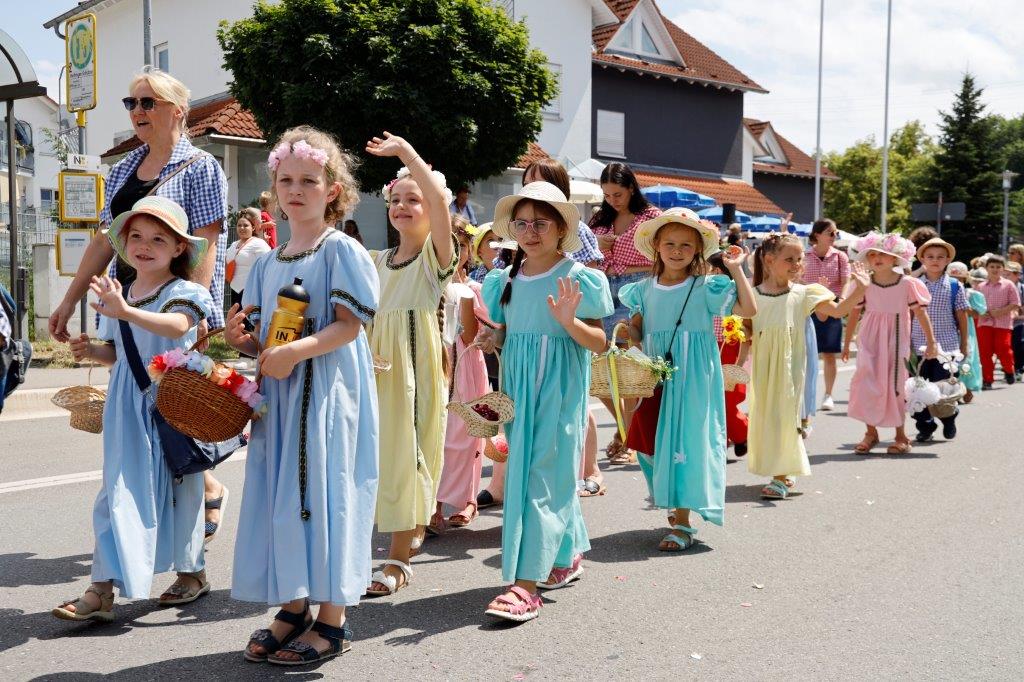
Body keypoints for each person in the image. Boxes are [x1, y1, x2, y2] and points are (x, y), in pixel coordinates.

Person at [45, 66, 232, 546]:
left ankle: (185, 517)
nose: (137, 111)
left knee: (172, 407)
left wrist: (191, 311)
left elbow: (206, 244)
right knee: (140, 406)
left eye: (148, 102)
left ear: (178, 110)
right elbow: (105, 240)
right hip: (128, 303)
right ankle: (171, 510)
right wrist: (68, 299)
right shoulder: (125, 168)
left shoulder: (202, 166)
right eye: (131, 103)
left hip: (171, 307)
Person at [226, 126, 379, 665]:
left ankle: (332, 619)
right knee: (284, 496)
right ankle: (293, 606)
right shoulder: (269, 261)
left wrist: (297, 351)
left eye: (309, 181)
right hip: (282, 397)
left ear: (332, 189)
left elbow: (349, 326)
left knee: (328, 492)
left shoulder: (340, 249)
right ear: (274, 188)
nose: (296, 190)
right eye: (286, 180)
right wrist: (243, 340)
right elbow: (266, 335)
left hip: (327, 393)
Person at [51, 196, 213, 623]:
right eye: (136, 236)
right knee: (117, 490)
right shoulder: (118, 294)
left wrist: (125, 311)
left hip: (174, 402)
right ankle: (100, 589)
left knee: (181, 490)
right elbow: (120, 353)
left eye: (159, 239)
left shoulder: (185, 292)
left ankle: (192, 572)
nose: (145, 245)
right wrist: (92, 351)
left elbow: (178, 327)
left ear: (179, 248)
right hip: (127, 404)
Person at [481, 182, 611, 622]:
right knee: (537, 473)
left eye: (541, 223)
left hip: (559, 391)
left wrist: (570, 322)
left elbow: (599, 342)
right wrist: (493, 337)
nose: (530, 232)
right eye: (521, 223)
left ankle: (526, 584)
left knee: (541, 477)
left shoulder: (579, 277)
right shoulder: (505, 279)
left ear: (561, 229)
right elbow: (508, 332)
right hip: (519, 390)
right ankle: (565, 556)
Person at [619, 209, 756, 550]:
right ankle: (671, 496)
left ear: (697, 249)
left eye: (685, 245)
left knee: (685, 443)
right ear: (656, 245)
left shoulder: (706, 286)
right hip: (655, 374)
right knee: (647, 443)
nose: (677, 251)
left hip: (693, 377)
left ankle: (682, 522)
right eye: (670, 243)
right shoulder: (642, 289)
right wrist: (627, 336)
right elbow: (637, 328)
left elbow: (748, 310)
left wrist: (737, 269)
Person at [364, 133, 456, 596]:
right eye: (395, 199)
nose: (402, 206)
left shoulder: (433, 259)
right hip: (376, 371)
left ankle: (398, 557)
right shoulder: (376, 261)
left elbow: (439, 201)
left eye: (413, 199)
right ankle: (410, 527)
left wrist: (406, 154)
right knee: (380, 457)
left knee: (408, 454)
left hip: (413, 375)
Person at [747, 233, 868, 499]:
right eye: (789, 259)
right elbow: (745, 330)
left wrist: (859, 290)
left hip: (790, 367)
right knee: (767, 417)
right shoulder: (752, 295)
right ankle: (781, 468)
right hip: (763, 367)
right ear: (769, 260)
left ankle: (782, 475)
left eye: (799, 259)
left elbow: (837, 311)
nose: (797, 264)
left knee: (786, 415)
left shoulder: (804, 292)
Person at [520, 158, 606, 498]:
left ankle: (589, 469)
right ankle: (506, 488)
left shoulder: (574, 236)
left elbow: (588, 271)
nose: (535, 189)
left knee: (572, 416)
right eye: (529, 183)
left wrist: (571, 318)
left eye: (543, 182)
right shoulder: (521, 242)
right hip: (526, 356)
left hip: (565, 330)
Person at [589, 162, 661, 464]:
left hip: (636, 289)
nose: (612, 200)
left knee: (630, 368)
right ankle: (625, 429)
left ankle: (628, 437)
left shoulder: (651, 218)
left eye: (617, 194)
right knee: (599, 368)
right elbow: (583, 257)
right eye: (607, 195)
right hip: (603, 290)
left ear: (631, 188)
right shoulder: (598, 220)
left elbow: (662, 260)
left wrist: (625, 265)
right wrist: (596, 244)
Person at [845, 232, 938, 455]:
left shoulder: (907, 283)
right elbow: (854, 313)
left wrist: (931, 342)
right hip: (869, 337)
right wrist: (846, 343)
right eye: (872, 254)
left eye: (883, 254)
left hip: (896, 338)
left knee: (896, 384)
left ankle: (901, 435)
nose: (877, 258)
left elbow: (921, 314)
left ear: (896, 258)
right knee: (866, 381)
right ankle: (870, 433)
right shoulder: (864, 283)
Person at [434, 217, 490, 528]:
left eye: (463, 246)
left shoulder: (474, 288)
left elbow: (469, 335)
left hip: (466, 362)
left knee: (466, 433)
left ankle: (468, 498)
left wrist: (460, 291)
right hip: (437, 361)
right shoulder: (427, 283)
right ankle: (434, 502)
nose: (456, 252)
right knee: (438, 433)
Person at [910, 238, 969, 442]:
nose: (935, 260)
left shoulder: (954, 286)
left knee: (944, 388)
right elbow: (908, 315)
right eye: (930, 257)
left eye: (940, 257)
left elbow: (962, 316)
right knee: (917, 389)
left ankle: (949, 418)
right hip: (919, 346)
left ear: (947, 260)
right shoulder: (914, 285)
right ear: (922, 260)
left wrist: (964, 344)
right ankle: (925, 425)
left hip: (947, 348)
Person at [802, 219, 850, 411]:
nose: (834, 236)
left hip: (832, 305)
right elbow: (797, 280)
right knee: (805, 353)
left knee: (829, 354)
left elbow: (846, 281)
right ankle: (804, 394)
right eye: (830, 232)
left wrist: (842, 299)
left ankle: (828, 394)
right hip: (808, 306)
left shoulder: (840, 256)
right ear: (817, 234)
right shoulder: (804, 255)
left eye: (835, 233)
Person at [708, 252, 749, 456]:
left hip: (727, 347)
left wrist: (740, 361)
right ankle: (724, 441)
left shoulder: (734, 292)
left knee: (725, 399)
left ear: (716, 271)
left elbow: (747, 330)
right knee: (713, 399)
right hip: (711, 347)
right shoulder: (706, 291)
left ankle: (740, 434)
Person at [975, 254, 1021, 389]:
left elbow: (1015, 303)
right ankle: (987, 379)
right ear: (986, 268)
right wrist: (980, 312)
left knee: (1003, 348)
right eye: (992, 267)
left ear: (1003, 269)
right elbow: (975, 304)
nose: (995, 269)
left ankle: (1009, 370)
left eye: (998, 267)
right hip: (984, 323)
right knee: (985, 352)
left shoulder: (1009, 285)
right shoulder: (980, 286)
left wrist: (1001, 311)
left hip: (1003, 324)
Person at [947, 263, 984, 401]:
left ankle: (967, 386)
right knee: (949, 360)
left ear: (965, 279)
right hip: (948, 329)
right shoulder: (943, 291)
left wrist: (964, 306)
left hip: (966, 331)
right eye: (953, 278)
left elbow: (977, 314)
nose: (957, 281)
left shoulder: (971, 294)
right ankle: (953, 389)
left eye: (960, 278)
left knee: (967, 359)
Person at [225, 207, 271, 308]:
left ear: (253, 228)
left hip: (252, 292)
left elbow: (268, 266)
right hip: (234, 291)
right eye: (239, 225)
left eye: (245, 225)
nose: (242, 228)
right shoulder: (233, 245)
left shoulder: (259, 243)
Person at [1005, 260, 1024, 380]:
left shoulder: (1022, 288)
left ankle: (1018, 368)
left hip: (1019, 322)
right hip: (1005, 322)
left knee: (1019, 345)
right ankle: (1009, 369)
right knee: (1007, 346)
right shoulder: (1003, 286)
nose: (1006, 277)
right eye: (1004, 274)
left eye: (1009, 274)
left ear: (1018, 275)